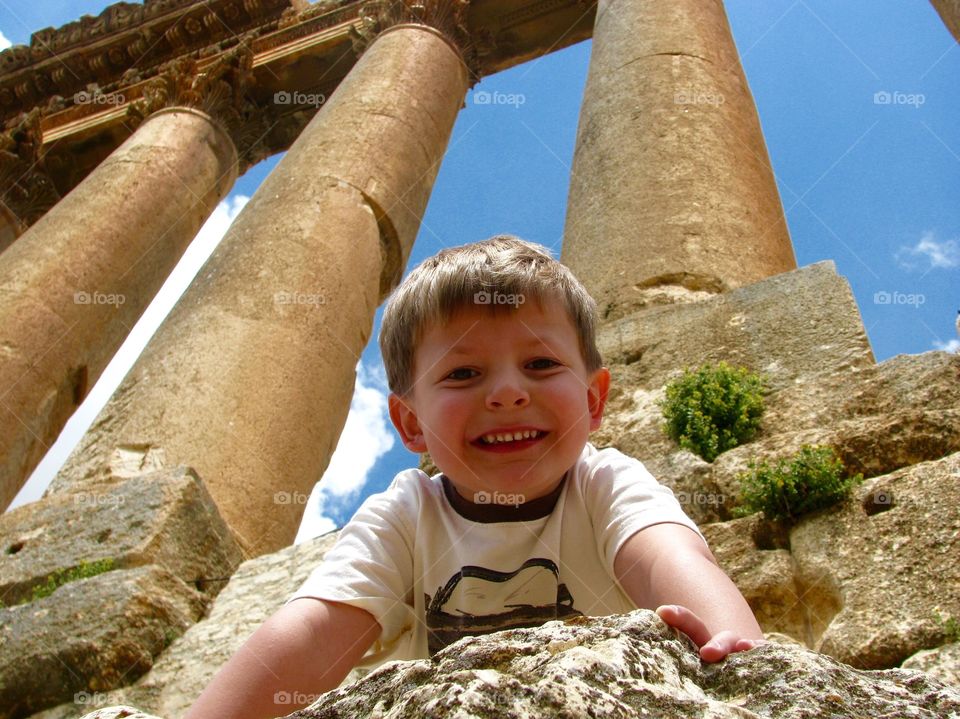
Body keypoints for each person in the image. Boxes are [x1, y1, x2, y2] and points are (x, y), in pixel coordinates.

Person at [184, 236, 764, 719]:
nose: (509, 392)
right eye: (463, 373)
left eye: (540, 364)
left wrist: (736, 658)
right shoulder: (406, 515)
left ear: (593, 402)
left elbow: (670, 558)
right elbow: (312, 634)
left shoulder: (605, 482)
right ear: (410, 423)